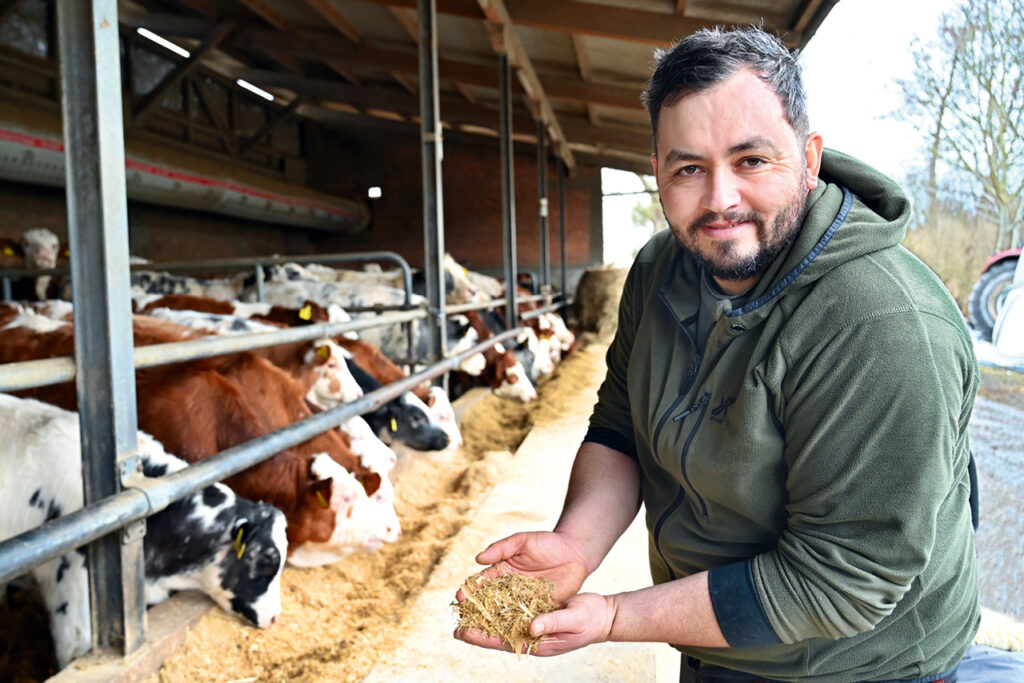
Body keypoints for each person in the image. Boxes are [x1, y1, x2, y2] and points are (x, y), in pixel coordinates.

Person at [454, 25, 980, 683]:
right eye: (688, 168)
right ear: (658, 173)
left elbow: (840, 579)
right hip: (714, 641)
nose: (720, 199)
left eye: (752, 160)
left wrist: (615, 616)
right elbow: (621, 427)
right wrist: (575, 545)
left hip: (859, 667)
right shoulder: (659, 269)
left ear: (809, 157)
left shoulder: (881, 322)